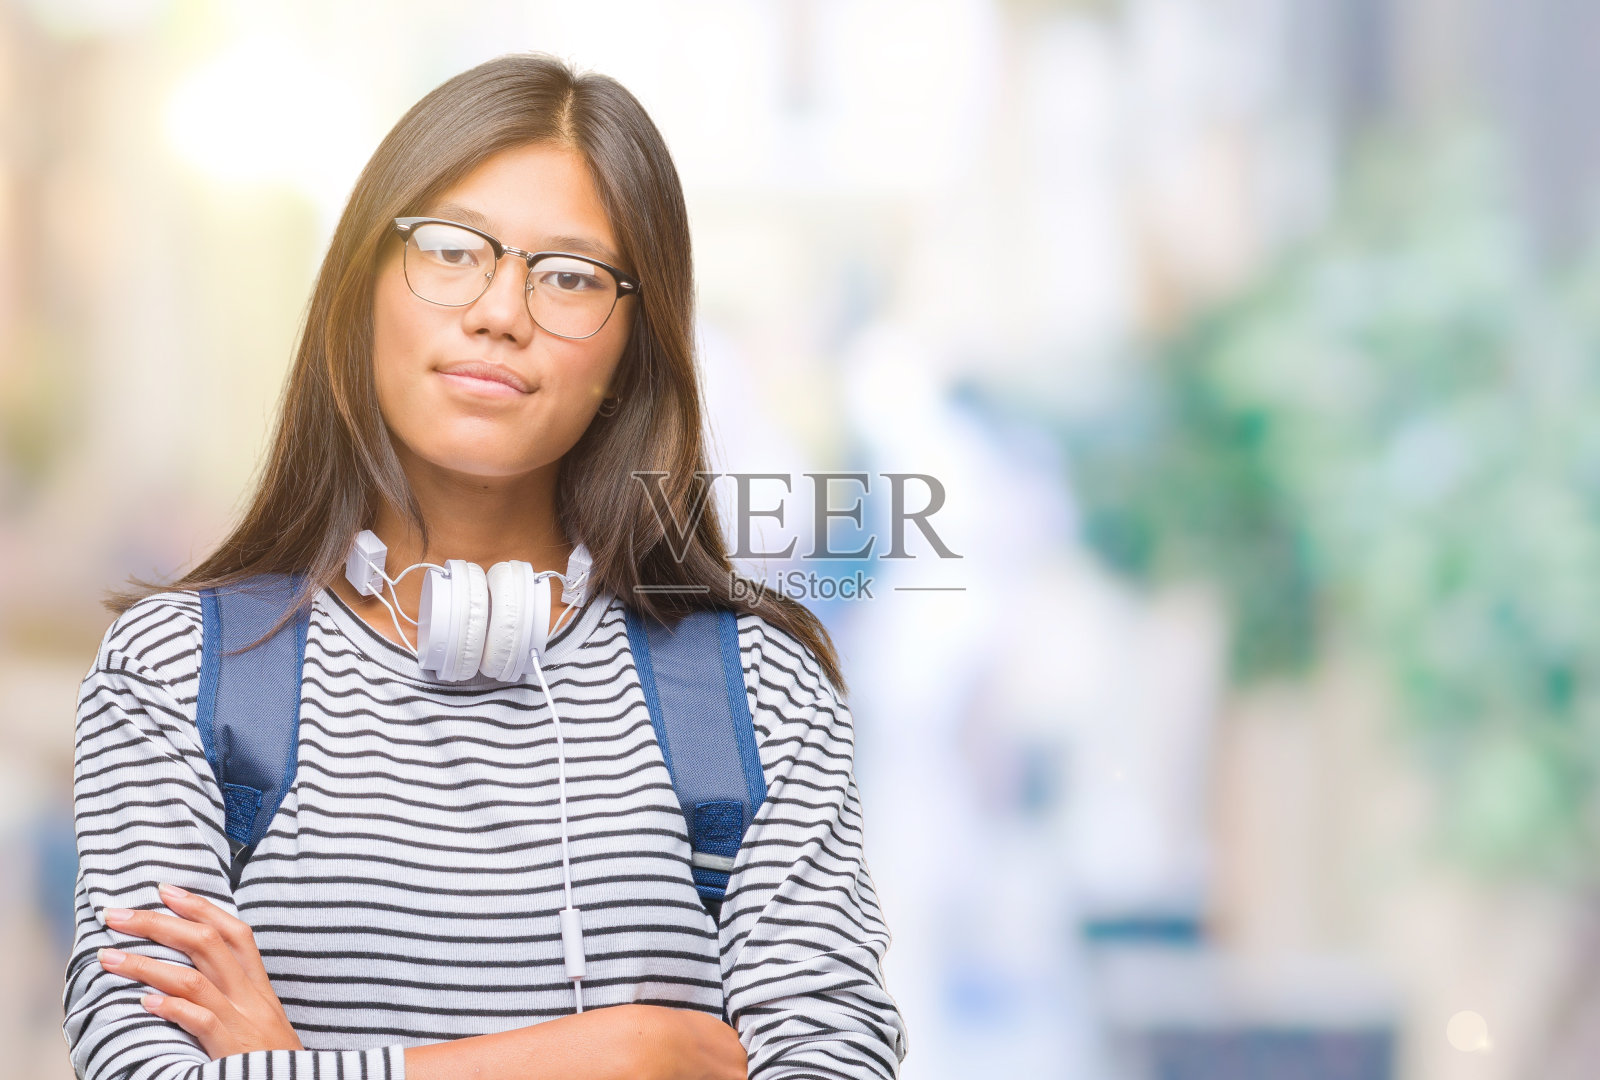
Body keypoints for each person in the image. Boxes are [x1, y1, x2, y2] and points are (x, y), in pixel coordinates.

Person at [61, 52, 907, 1080]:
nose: (501, 310)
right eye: (452, 250)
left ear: (632, 352)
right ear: (361, 289)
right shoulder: (176, 673)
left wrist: (289, 1065)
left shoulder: (758, 693)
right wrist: (630, 1052)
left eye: (570, 276)